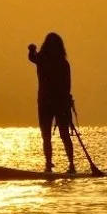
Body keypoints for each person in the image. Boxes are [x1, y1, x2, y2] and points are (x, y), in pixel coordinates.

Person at [28, 33, 75, 174]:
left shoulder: (57, 62)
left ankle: (70, 164)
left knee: (62, 134)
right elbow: (32, 57)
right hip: (48, 103)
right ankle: (50, 164)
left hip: (56, 103)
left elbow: (67, 85)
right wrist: (31, 50)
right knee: (48, 135)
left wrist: (31, 50)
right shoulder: (46, 60)